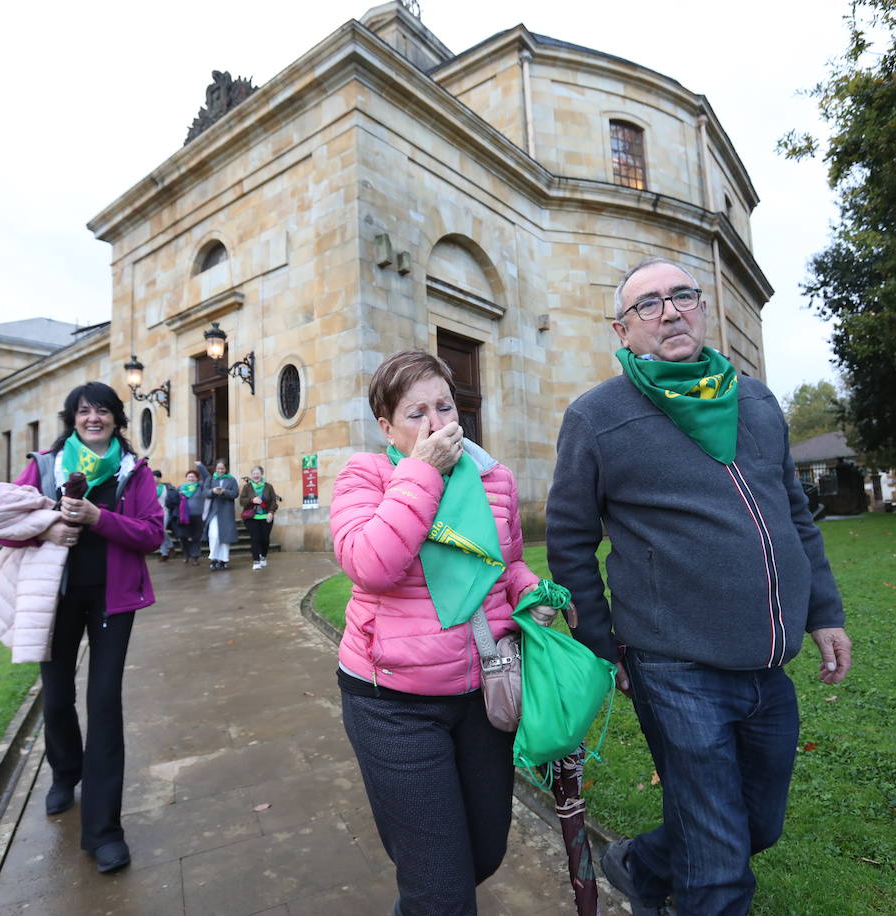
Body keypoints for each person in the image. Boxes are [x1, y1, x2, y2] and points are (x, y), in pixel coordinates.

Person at [546, 257, 853, 916]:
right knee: (718, 866)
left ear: (703, 308)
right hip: (674, 665)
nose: (670, 312)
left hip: (767, 663)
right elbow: (569, 543)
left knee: (758, 824)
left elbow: (794, 514)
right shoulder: (596, 417)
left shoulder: (756, 401)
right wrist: (601, 646)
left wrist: (824, 612)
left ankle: (640, 865)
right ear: (622, 330)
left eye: (682, 295)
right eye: (648, 304)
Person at [331, 349, 548, 915]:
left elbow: (508, 564)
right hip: (392, 703)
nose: (436, 423)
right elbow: (370, 564)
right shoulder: (366, 475)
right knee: (441, 889)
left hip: (482, 694)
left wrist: (531, 593)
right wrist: (422, 471)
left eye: (445, 407)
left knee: (483, 854)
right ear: (387, 428)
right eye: (416, 413)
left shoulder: (494, 477)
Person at [4, 381, 164, 874]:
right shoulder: (45, 466)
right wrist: (48, 527)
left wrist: (99, 517)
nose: (93, 418)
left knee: (104, 704)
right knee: (56, 697)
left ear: (117, 418)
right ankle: (63, 773)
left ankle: (104, 831)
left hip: (111, 600)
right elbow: (6, 524)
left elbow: (153, 533)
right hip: (54, 599)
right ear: (72, 419)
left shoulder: (133, 470)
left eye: (102, 411)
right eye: (84, 411)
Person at [198, 459, 239, 570]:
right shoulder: (210, 479)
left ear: (226, 469)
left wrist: (224, 492)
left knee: (225, 537)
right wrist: (212, 491)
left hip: (226, 512)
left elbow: (235, 493)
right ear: (215, 468)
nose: (220, 471)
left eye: (222, 468)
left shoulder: (231, 480)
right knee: (214, 535)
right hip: (214, 511)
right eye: (218, 468)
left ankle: (223, 560)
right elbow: (204, 492)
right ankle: (214, 559)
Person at [238, 466, 280, 570]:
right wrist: (252, 500)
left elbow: (273, 501)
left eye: (258, 473)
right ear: (251, 475)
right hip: (251, 518)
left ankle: (263, 556)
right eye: (254, 473)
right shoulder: (247, 487)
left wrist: (271, 512)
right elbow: (242, 501)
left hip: (266, 517)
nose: (256, 475)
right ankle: (256, 561)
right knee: (255, 538)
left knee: (264, 539)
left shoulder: (268, 486)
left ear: (261, 474)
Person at [174, 469, 206, 566]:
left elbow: (207, 478)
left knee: (196, 537)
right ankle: (186, 554)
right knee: (183, 536)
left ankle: (195, 557)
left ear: (197, 479)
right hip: (183, 517)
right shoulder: (180, 488)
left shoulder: (200, 487)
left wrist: (200, 466)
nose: (191, 478)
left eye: (193, 477)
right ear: (186, 478)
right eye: (189, 476)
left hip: (197, 516)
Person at [153, 469, 178, 561]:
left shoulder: (166, 487)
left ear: (159, 478)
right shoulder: (149, 487)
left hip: (165, 511)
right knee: (160, 532)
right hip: (153, 513)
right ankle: (169, 548)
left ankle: (164, 553)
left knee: (161, 530)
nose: (153, 479)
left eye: (155, 477)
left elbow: (172, 498)